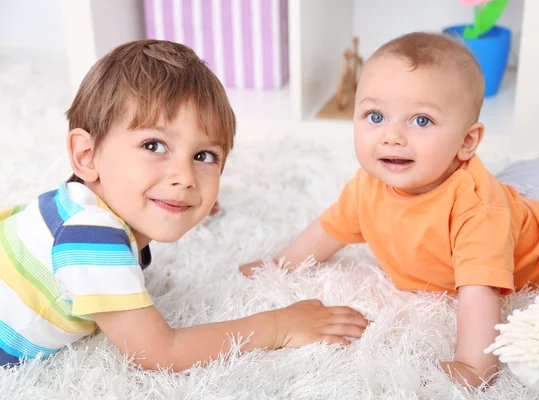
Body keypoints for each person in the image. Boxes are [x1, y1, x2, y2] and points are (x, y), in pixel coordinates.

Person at [240, 32, 539, 387]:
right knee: (531, 170)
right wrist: (280, 264)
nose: (392, 136)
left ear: (467, 141)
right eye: (375, 116)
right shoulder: (368, 186)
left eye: (421, 120)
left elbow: (480, 291)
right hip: (516, 190)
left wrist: (473, 365)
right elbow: (328, 228)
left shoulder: (478, 212)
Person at [0, 39, 368, 370]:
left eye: (204, 156)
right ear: (86, 155)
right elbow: (161, 353)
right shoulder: (88, 237)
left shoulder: (80, 204)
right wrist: (279, 325)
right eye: (154, 146)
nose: (185, 177)